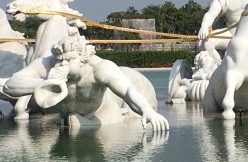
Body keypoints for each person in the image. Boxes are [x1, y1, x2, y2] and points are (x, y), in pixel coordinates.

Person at [24, 36, 169, 131]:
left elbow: (127, 91)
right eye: (60, 60)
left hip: (104, 111)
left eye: (69, 60)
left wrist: (147, 110)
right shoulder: (50, 64)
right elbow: (13, 83)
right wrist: (45, 82)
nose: (62, 64)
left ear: (82, 58)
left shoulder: (99, 68)